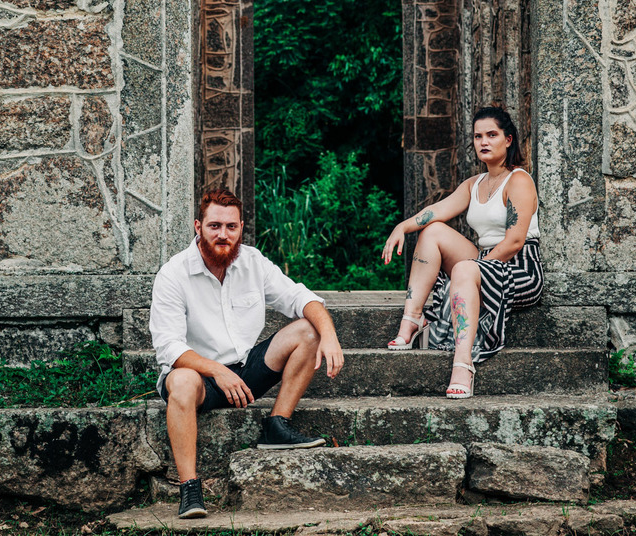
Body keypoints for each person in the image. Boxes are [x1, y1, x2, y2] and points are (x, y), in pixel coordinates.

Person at [150, 188, 345, 519]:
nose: (223, 235)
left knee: (308, 329)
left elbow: (300, 297)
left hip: (247, 372)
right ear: (198, 227)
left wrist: (329, 335)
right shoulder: (173, 273)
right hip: (201, 379)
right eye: (214, 226)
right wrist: (216, 370)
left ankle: (276, 425)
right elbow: (168, 346)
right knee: (180, 381)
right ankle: (190, 488)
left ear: (241, 228)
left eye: (231, 227)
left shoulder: (253, 262)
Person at [381, 106, 542, 399]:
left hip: (520, 267)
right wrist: (402, 227)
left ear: (508, 139)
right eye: (478, 136)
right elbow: (436, 211)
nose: (484, 141)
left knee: (465, 270)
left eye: (492, 135)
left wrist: (472, 272)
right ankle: (413, 317)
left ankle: (463, 364)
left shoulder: (518, 180)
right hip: (483, 263)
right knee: (433, 231)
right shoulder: (474, 184)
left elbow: (515, 242)